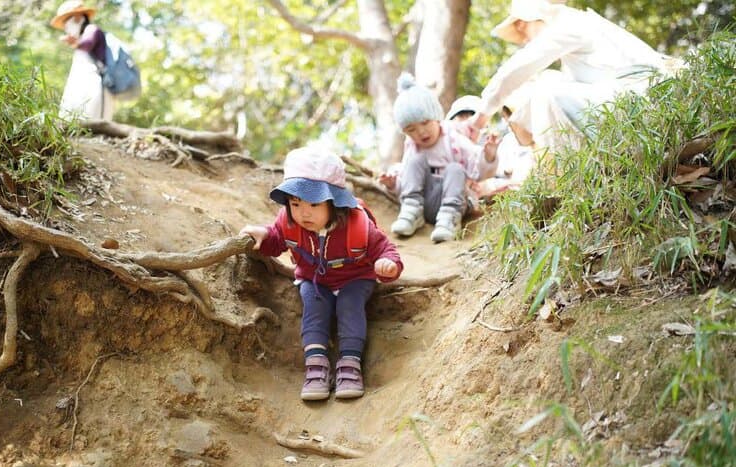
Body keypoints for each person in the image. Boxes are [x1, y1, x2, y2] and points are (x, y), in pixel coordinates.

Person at [240, 147, 403, 401]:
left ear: (334, 202)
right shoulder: (289, 221)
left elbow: (385, 248)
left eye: (314, 203)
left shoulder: (356, 224)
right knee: (314, 309)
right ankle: (316, 366)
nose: (304, 213)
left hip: (355, 278)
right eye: (296, 203)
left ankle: (350, 364)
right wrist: (263, 236)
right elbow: (276, 239)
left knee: (350, 305)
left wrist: (387, 264)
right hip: (314, 280)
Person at [470, 0, 672, 153]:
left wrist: (479, 118)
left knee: (544, 91)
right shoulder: (582, 24)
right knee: (549, 81)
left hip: (640, 108)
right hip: (636, 105)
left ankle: (558, 180)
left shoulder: (567, 24)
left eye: (520, 27)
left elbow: (515, 70)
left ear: (526, 21)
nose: (524, 40)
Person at [380, 74, 498, 242]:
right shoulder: (412, 148)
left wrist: (489, 155)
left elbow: (476, 168)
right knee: (414, 162)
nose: (421, 132)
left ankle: (449, 221)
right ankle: (412, 213)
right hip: (425, 203)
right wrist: (393, 184)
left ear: (436, 118)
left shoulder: (453, 139)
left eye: (425, 122)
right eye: (411, 129)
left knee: (455, 168)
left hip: (455, 201)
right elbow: (408, 181)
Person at [50, 1, 115, 121]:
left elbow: (88, 44)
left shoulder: (92, 29)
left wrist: (74, 42)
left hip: (96, 84)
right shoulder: (81, 38)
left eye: (66, 22)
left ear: (77, 17)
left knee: (92, 119)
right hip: (85, 85)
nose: (66, 27)